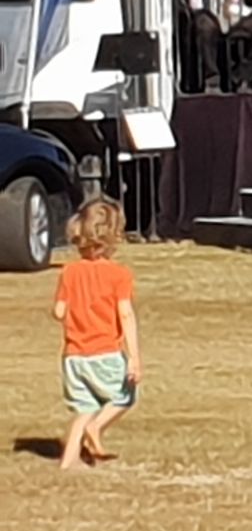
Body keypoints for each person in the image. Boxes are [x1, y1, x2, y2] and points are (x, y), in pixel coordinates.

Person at [52, 201, 141, 471]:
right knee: (125, 396)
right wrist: (134, 357)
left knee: (85, 406)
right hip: (105, 352)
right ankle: (96, 427)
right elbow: (125, 314)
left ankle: (69, 461)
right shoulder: (118, 275)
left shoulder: (69, 271)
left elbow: (58, 312)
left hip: (73, 357)